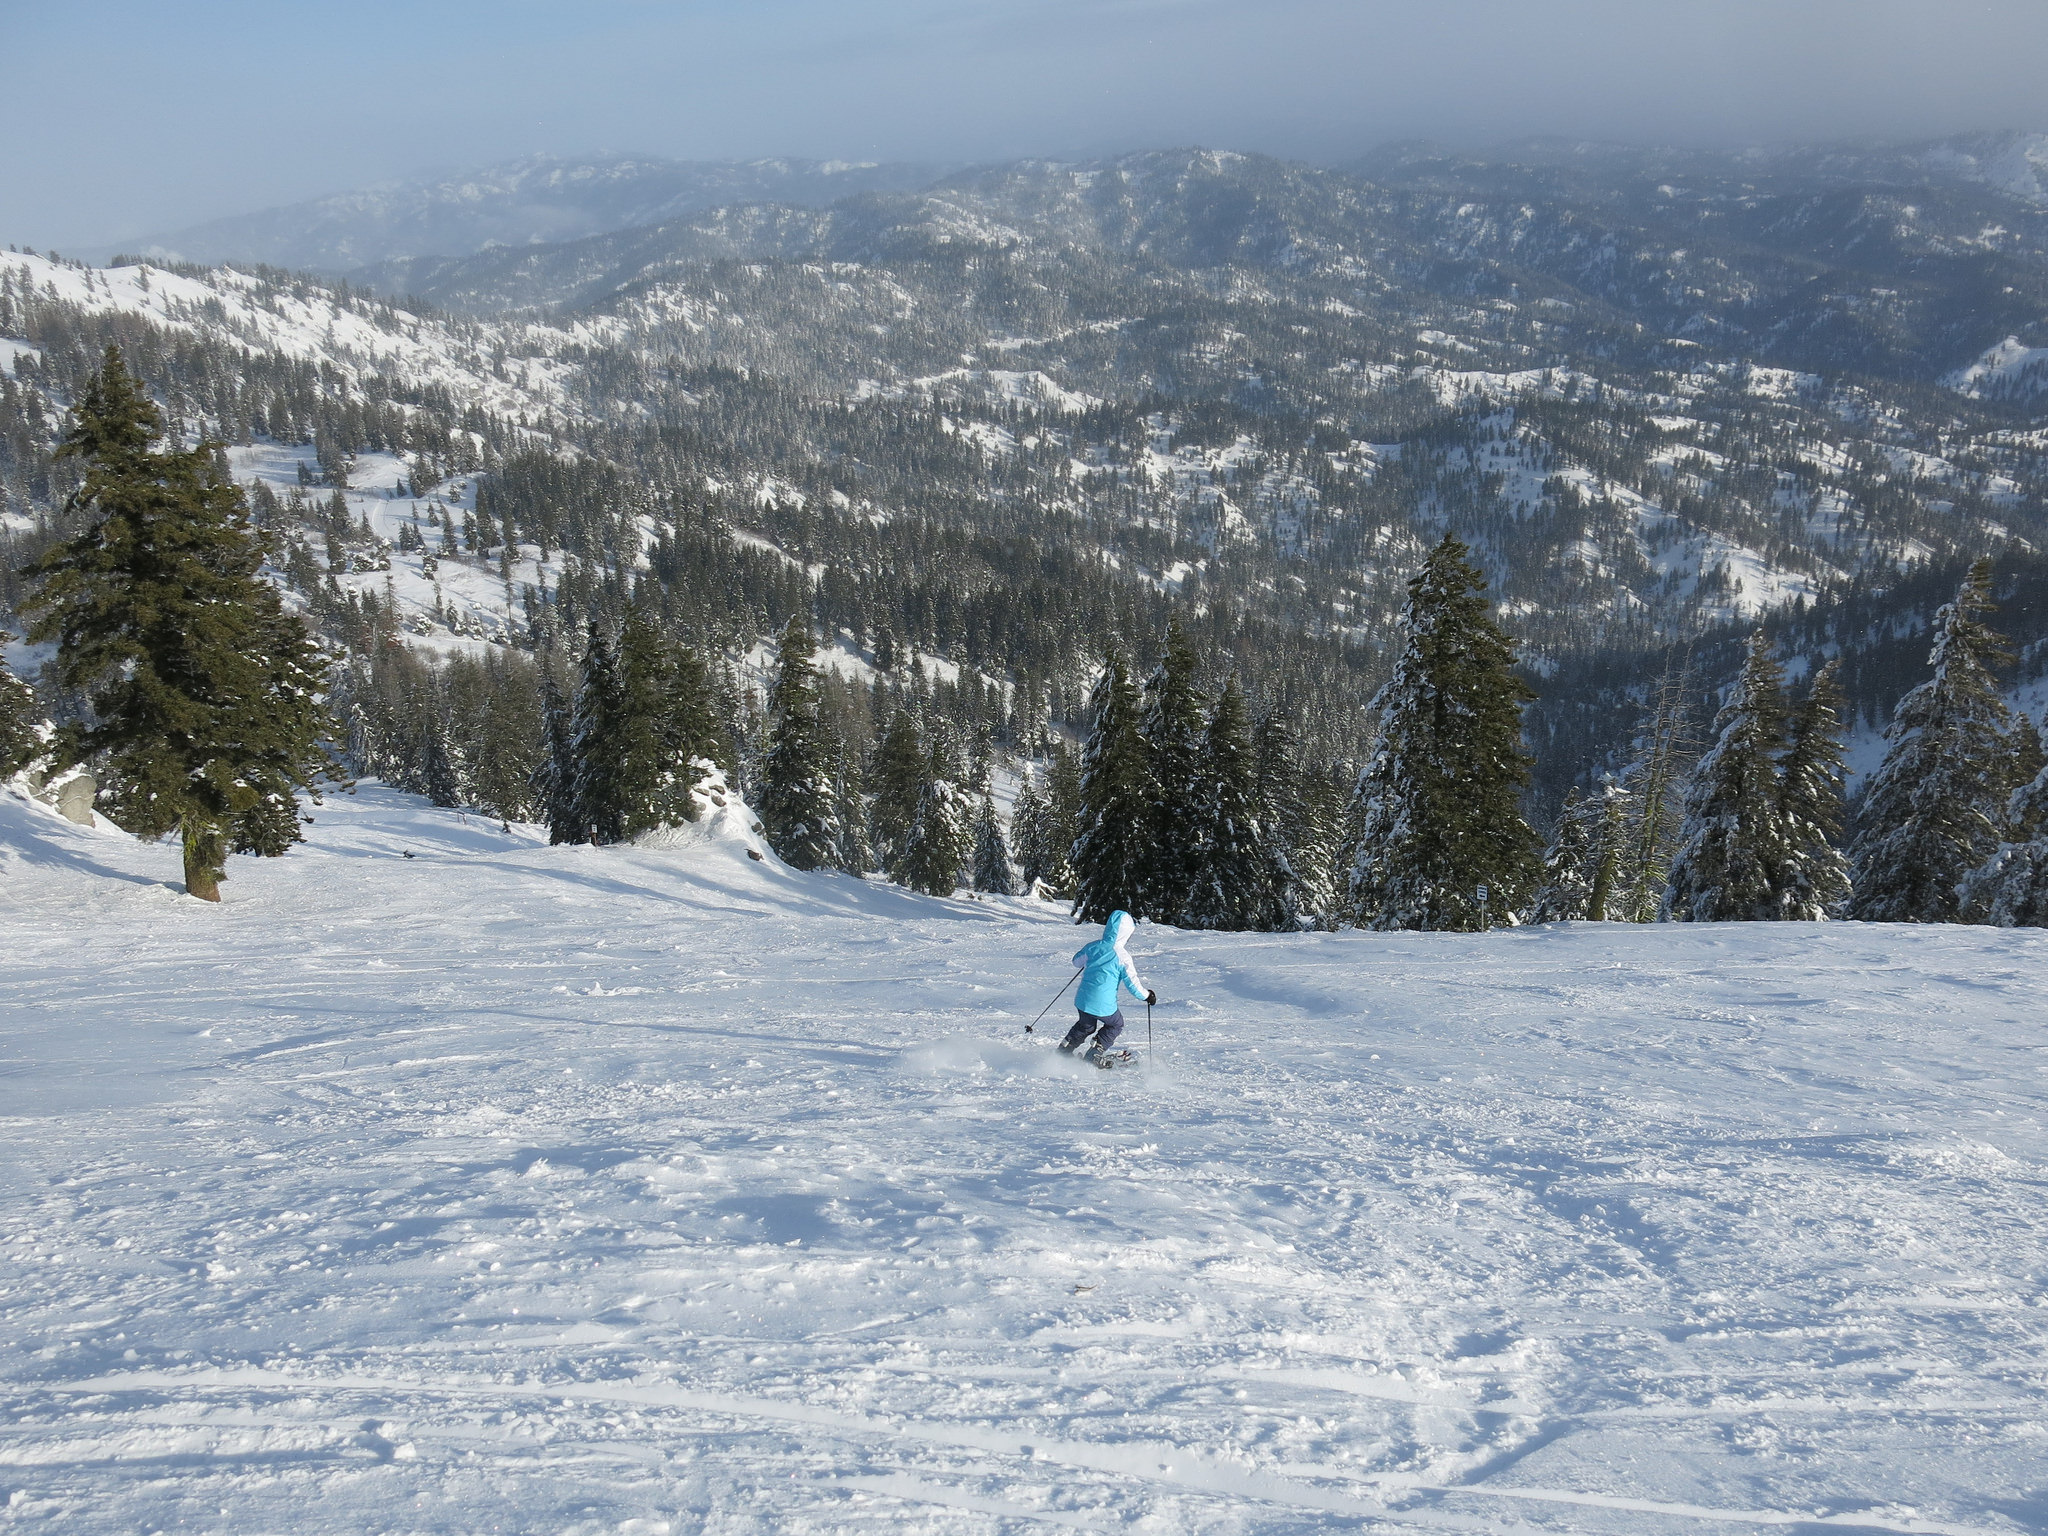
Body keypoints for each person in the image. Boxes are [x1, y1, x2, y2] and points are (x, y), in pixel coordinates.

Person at [1059, 909, 1157, 1064]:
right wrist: (1147, 995)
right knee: (1116, 1024)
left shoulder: (1093, 947)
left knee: (1086, 1025)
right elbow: (1133, 985)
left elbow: (1076, 961)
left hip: (1083, 1000)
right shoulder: (1122, 956)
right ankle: (1095, 1051)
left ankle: (1065, 1049)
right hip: (1103, 1004)